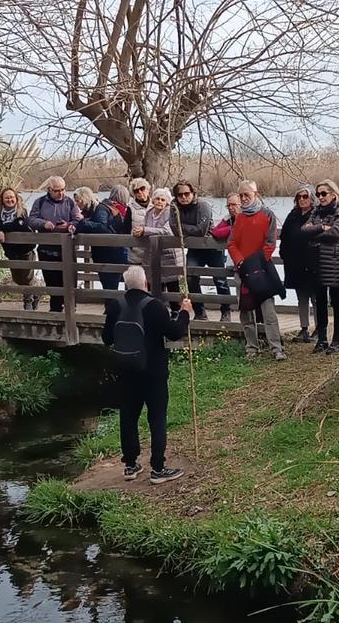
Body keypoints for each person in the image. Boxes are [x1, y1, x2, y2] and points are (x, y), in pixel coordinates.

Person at [102, 265, 194, 484]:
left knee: (128, 417)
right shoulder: (155, 306)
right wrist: (185, 313)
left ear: (126, 284)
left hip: (126, 371)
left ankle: (131, 465)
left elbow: (107, 338)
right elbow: (174, 333)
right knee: (157, 418)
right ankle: (158, 469)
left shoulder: (115, 306)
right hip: (153, 373)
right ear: (145, 283)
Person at [228, 180, 286, 360]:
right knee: (246, 312)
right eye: (242, 195)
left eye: (247, 195)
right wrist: (240, 262)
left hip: (261, 270)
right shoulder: (239, 218)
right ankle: (251, 348)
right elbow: (231, 243)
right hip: (243, 270)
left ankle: (276, 348)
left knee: (268, 311)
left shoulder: (267, 215)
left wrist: (256, 263)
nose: (244, 198)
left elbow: (270, 243)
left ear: (256, 194)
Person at [171, 181, 229, 322]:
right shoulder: (174, 208)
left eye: (187, 194)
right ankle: (200, 312)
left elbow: (201, 230)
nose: (184, 197)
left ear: (193, 193)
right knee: (190, 278)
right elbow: (174, 228)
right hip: (195, 249)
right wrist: (189, 230)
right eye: (180, 195)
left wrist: (184, 228)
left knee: (220, 279)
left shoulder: (203, 206)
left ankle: (226, 312)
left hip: (212, 247)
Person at [303, 180, 339, 353]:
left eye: (324, 193)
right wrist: (322, 227)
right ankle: (322, 339)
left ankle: (337, 339)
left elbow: (337, 232)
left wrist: (315, 233)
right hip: (317, 261)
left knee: (336, 301)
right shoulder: (316, 211)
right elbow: (303, 230)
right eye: (318, 194)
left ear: (333, 194)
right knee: (320, 301)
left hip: (335, 262)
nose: (320, 197)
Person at [28, 175, 83, 313]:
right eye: (57, 190)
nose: (61, 193)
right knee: (52, 281)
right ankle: (55, 309)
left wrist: (69, 225)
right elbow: (31, 220)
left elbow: (78, 220)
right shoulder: (39, 202)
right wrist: (43, 223)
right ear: (49, 190)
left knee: (69, 280)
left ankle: (71, 308)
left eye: (63, 189)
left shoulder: (70, 202)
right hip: (46, 248)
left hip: (66, 249)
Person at [77, 183, 133, 306]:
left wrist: (82, 223)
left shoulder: (121, 209)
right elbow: (101, 226)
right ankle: (114, 311)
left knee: (116, 286)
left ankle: (118, 310)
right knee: (112, 286)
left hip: (116, 252)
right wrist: (82, 223)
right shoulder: (108, 208)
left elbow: (101, 227)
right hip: (110, 252)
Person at [0, 187, 39, 311]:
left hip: (25, 249)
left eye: (12, 197)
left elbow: (20, 226)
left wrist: (2, 228)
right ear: (2, 199)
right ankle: (37, 293)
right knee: (17, 279)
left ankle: (27, 301)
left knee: (27, 278)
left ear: (16, 198)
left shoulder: (22, 211)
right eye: (6, 197)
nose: (9, 199)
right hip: (10, 251)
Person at [280, 186, 317, 342]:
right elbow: (284, 236)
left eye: (305, 196)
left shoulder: (316, 215)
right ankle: (303, 328)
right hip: (294, 263)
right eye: (299, 197)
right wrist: (284, 254)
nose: (302, 200)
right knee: (301, 297)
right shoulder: (292, 215)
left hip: (312, 262)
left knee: (315, 298)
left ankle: (319, 328)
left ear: (311, 198)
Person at [126, 178, 153, 266]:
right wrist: (130, 246)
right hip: (136, 252)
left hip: (153, 250)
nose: (140, 192)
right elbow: (126, 229)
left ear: (148, 189)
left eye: (142, 189)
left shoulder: (156, 205)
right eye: (136, 191)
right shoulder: (130, 208)